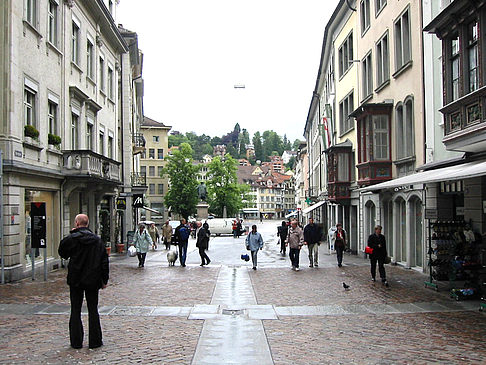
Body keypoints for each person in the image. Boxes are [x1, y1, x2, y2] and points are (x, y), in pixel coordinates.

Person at [58, 214, 109, 349]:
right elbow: (104, 261)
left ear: (76, 223)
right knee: (93, 310)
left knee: (75, 309)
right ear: (87, 224)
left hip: (76, 279)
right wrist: (104, 279)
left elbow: (62, 252)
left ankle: (76, 342)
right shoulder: (97, 240)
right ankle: (95, 341)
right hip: (93, 279)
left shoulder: (72, 239)